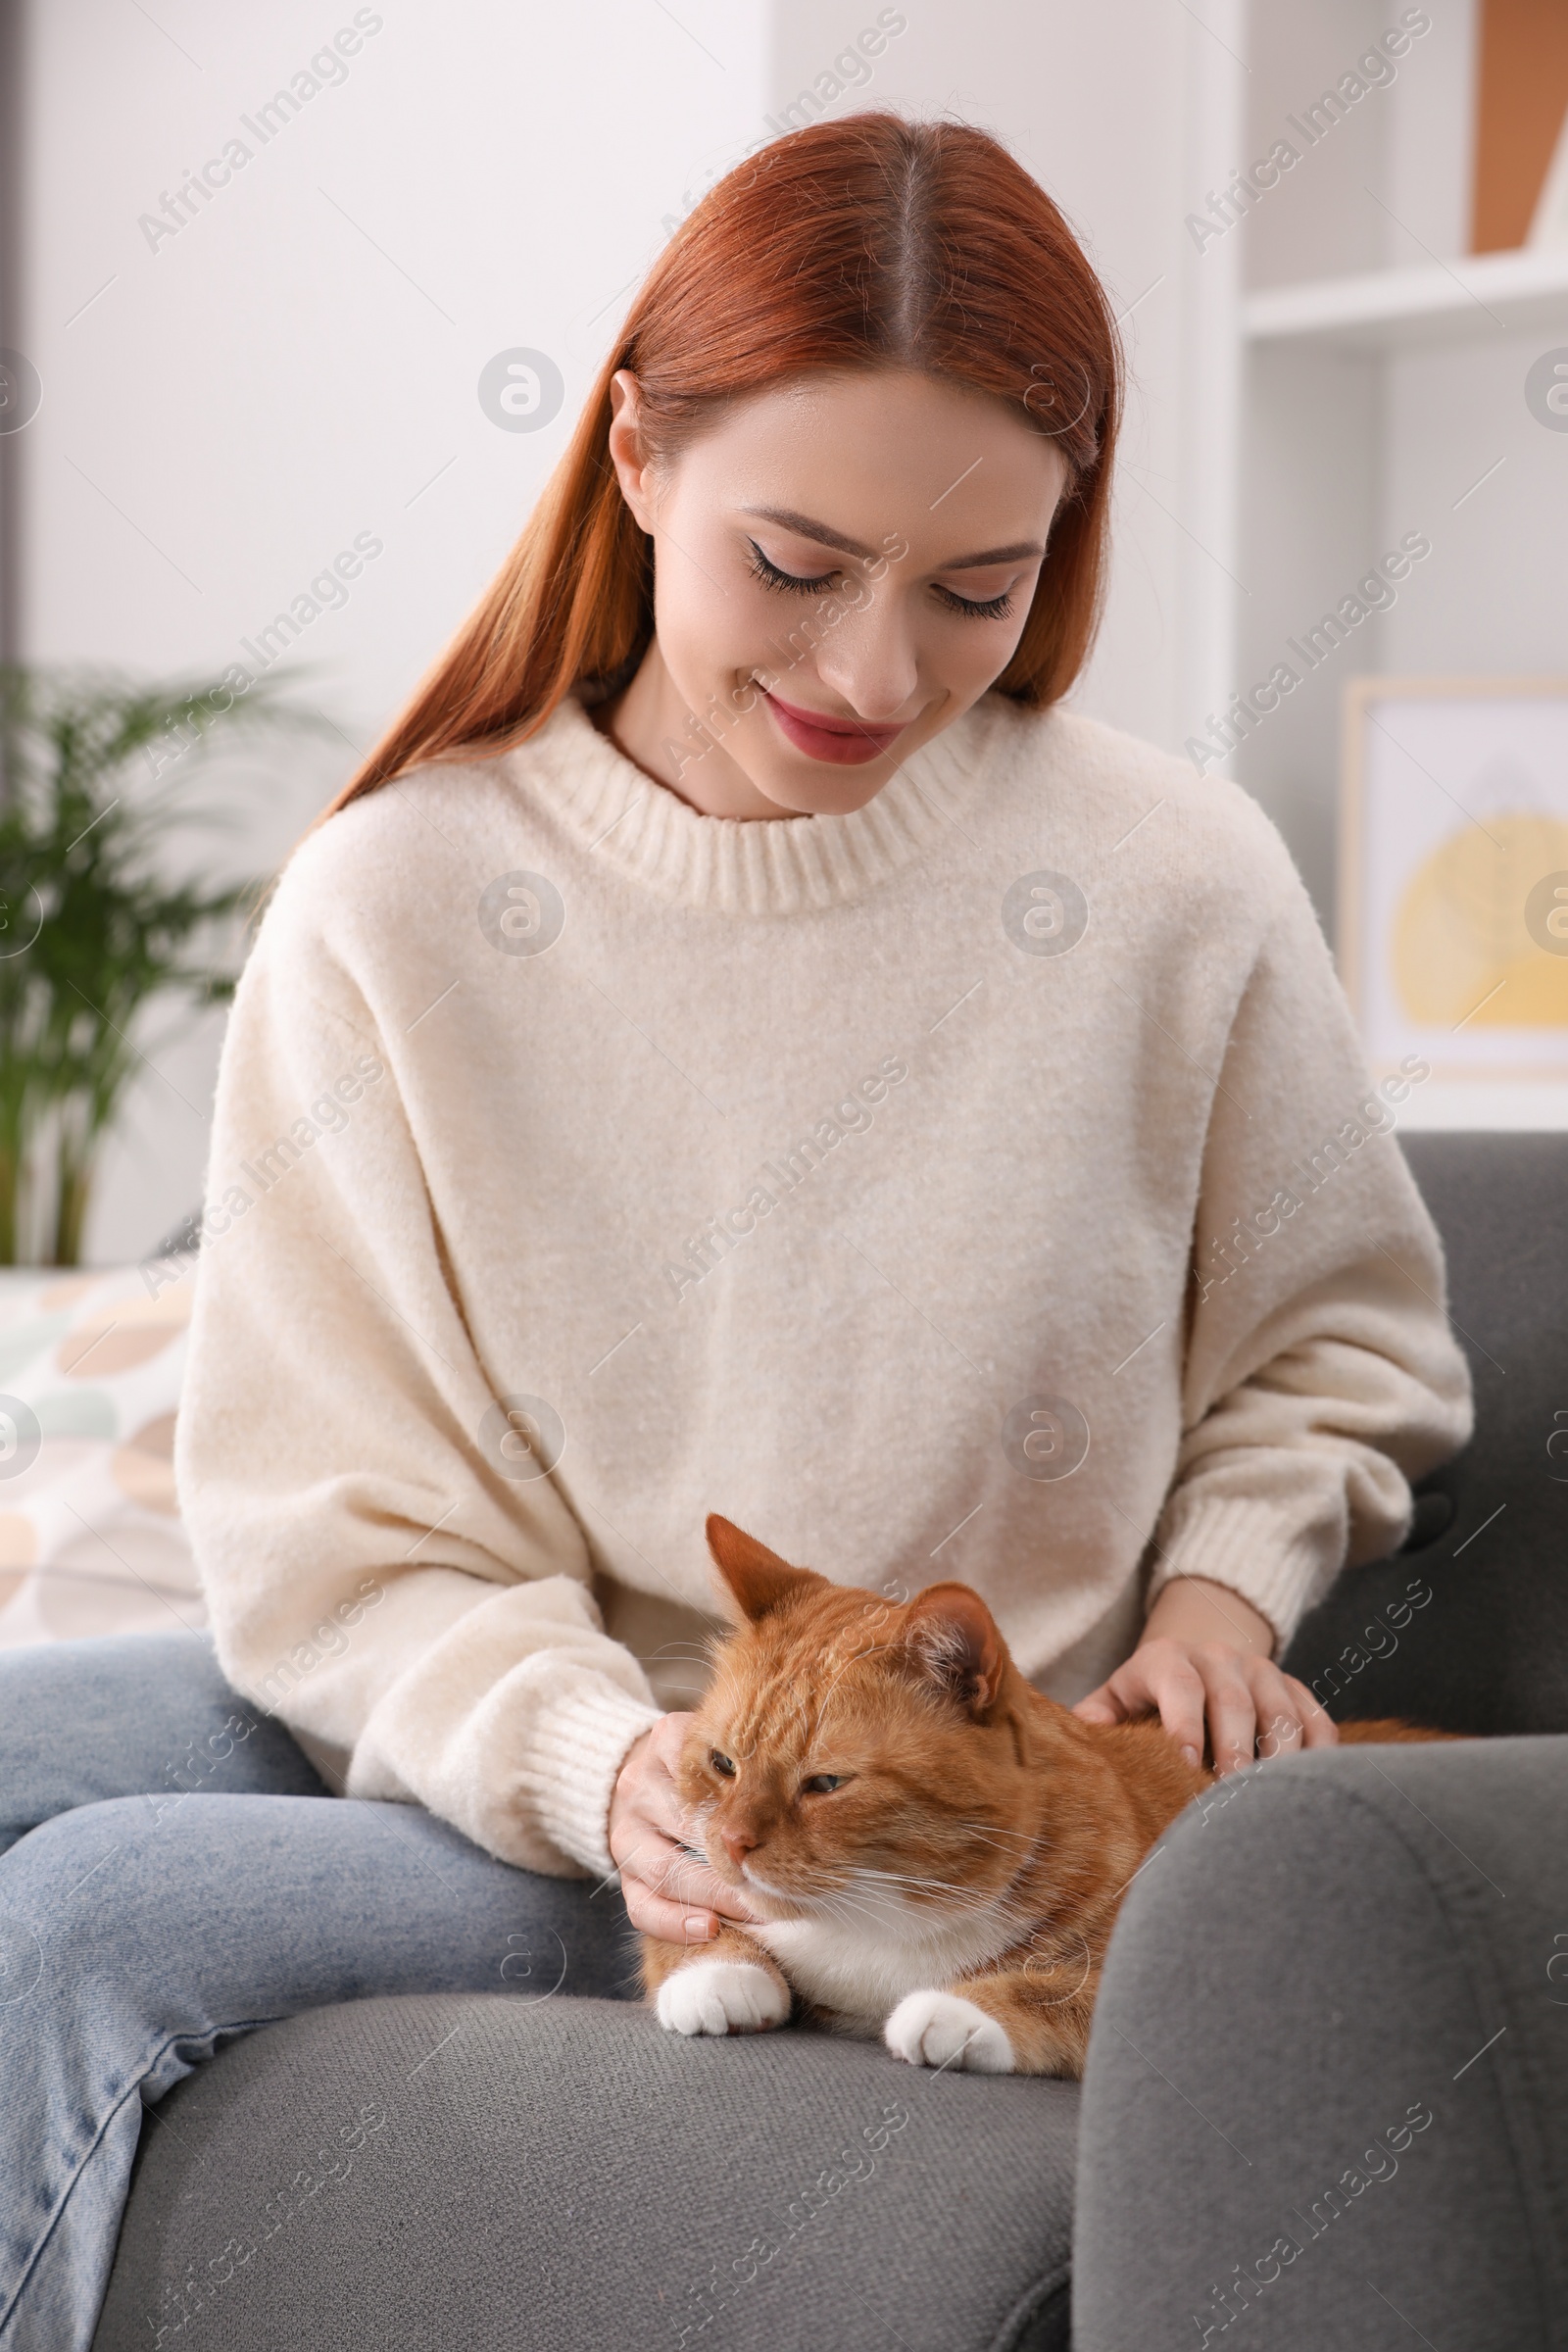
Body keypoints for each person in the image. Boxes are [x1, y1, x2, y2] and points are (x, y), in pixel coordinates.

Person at [0, 112, 1472, 2347]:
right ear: (632, 459)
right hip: (530, 1732)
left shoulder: (1170, 881)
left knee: (91, 1916)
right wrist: (608, 1772)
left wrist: (1213, 1586)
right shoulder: (393, 904)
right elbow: (326, 1531)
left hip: (871, 1813)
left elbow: (1337, 1345)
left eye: (974, 590)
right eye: (795, 562)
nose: (873, 674)